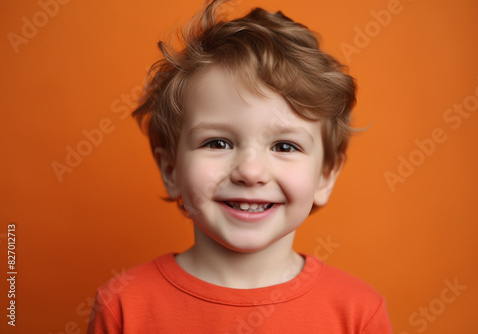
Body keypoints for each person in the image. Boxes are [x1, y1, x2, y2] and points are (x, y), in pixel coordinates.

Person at [87, 0, 392, 332]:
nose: (250, 172)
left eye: (284, 146)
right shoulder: (122, 305)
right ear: (171, 170)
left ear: (325, 176)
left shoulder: (358, 312)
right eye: (218, 143)